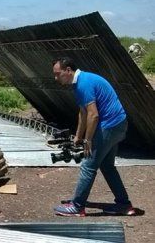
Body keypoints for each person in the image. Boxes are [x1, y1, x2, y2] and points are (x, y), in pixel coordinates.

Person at [51, 57, 134, 216]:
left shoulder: (83, 84)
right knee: (107, 166)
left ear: (68, 70)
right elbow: (83, 112)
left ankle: (77, 206)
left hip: (109, 127)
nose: (56, 78)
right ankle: (124, 204)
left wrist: (88, 140)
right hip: (118, 125)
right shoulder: (80, 82)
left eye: (58, 74)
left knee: (88, 166)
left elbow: (93, 115)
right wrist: (78, 136)